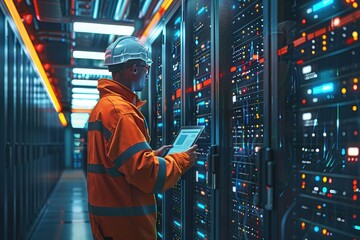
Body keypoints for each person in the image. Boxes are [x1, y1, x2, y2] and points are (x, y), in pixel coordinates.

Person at [87, 36, 198, 240]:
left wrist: (152, 155)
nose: (147, 74)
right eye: (146, 68)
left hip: (109, 225)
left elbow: (116, 162)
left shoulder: (103, 108)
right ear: (134, 69)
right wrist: (181, 160)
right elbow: (149, 176)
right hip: (128, 229)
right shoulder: (122, 113)